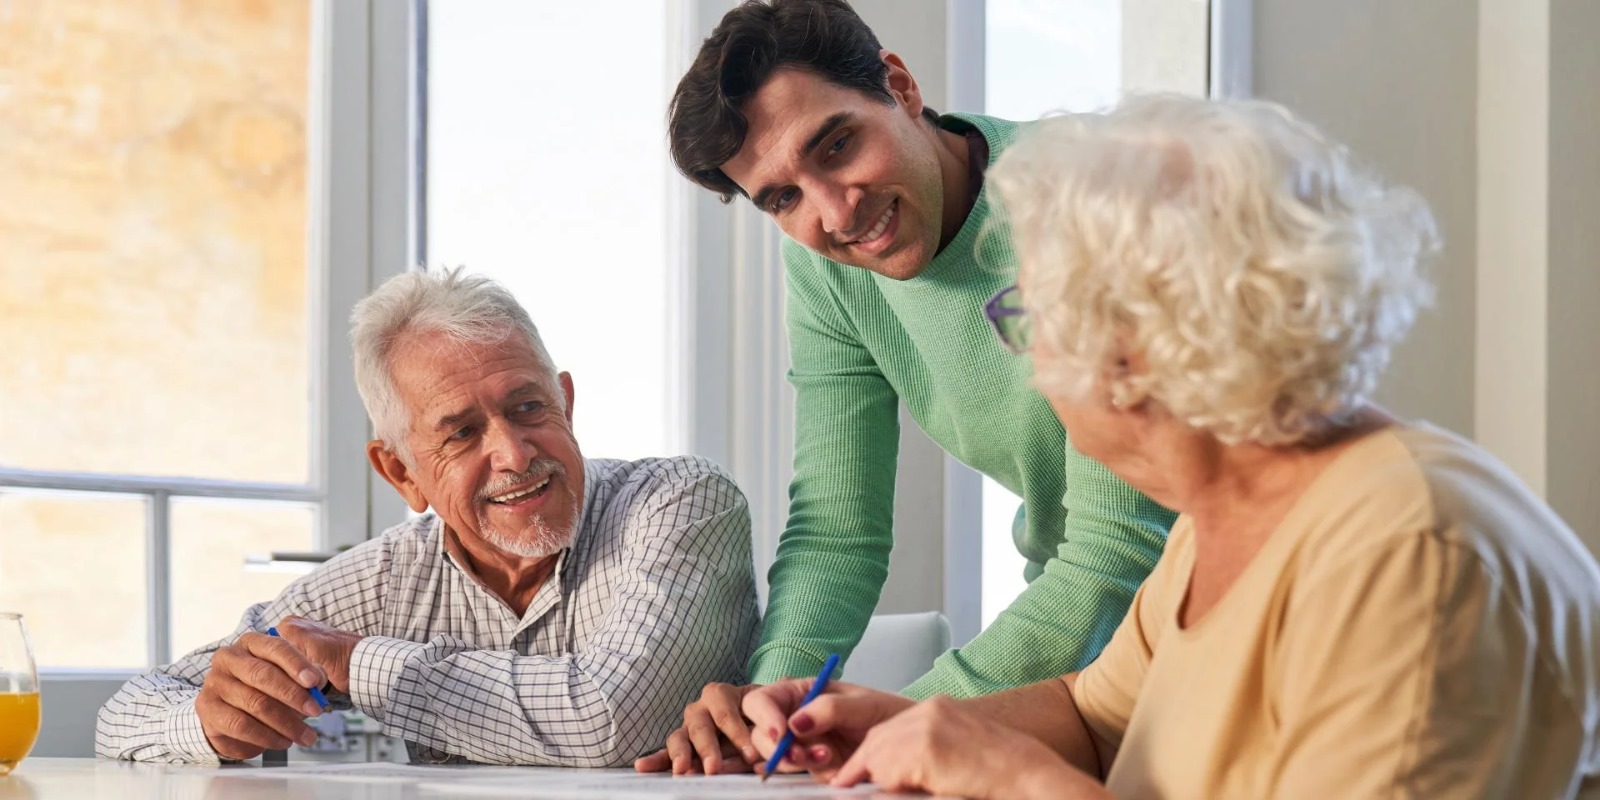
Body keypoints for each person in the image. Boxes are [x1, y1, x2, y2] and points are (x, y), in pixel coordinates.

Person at [737, 93, 1600, 798]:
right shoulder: (1220, 518)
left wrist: (1020, 781)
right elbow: (1095, 713)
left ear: (1134, 352)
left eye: (1028, 317)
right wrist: (902, 721)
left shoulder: (1408, 556)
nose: (1026, 355)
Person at [639, 0, 1176, 774]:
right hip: (1080, 673)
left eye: (837, 144)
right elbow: (837, 528)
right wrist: (773, 716)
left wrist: (897, 727)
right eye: (782, 198)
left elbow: (1120, 542)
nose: (835, 211)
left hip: (1208, 626)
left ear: (901, 85)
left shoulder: (1083, 198)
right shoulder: (827, 268)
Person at [96, 269, 761, 766]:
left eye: (529, 408)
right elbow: (125, 714)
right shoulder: (384, 579)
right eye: (463, 432)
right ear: (402, 473)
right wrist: (212, 723)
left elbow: (614, 718)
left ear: (565, 402)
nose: (512, 453)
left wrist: (362, 666)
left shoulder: (677, 503)